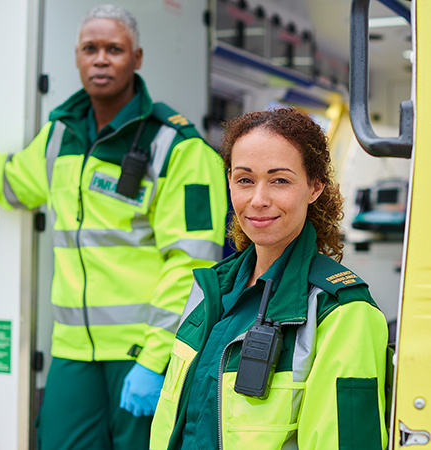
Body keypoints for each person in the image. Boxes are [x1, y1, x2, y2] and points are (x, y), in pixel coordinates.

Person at [0, 4, 227, 450]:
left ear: (137, 58)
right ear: (76, 57)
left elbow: (189, 264)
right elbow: (14, 183)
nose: (100, 59)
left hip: (141, 354)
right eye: (89, 49)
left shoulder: (178, 147)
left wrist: (155, 359)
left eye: (114, 49)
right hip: (73, 354)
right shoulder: (62, 134)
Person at [150, 107, 389, 450]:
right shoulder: (210, 290)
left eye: (279, 180)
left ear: (315, 187)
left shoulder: (341, 312)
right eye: (245, 180)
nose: (258, 200)